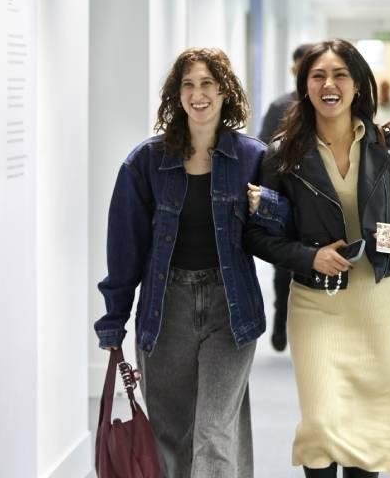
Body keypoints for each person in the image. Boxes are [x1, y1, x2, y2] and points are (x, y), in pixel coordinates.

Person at [243, 40, 390, 478]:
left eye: (340, 74)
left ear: (358, 84)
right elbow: (256, 235)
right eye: (318, 76)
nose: (329, 84)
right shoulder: (282, 154)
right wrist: (310, 257)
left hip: (381, 301)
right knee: (322, 424)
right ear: (305, 87)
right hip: (316, 304)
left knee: (370, 429)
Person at [95, 48, 276, 478]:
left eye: (207, 84)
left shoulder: (253, 157)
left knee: (214, 433)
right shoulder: (146, 162)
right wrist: (113, 319)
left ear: (224, 91)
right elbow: (125, 248)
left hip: (230, 310)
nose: (198, 94)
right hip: (167, 307)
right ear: (177, 95)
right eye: (188, 85)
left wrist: (267, 204)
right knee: (170, 435)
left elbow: (281, 231)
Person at [258, 43, 312, 352]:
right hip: (286, 200)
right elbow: (264, 151)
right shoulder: (280, 107)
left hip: (318, 203)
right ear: (294, 70)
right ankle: (281, 320)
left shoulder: (327, 105)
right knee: (283, 269)